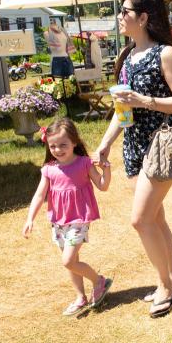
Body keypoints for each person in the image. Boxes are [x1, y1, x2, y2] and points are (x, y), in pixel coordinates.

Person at [93, 0, 172, 318]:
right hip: (135, 147)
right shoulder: (127, 56)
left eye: (125, 11)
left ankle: (164, 285)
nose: (120, 17)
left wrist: (145, 101)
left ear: (144, 17)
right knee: (156, 218)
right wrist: (106, 142)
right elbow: (122, 110)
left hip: (162, 147)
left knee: (140, 220)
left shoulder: (165, 54)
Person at [23, 118, 113, 317]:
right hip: (59, 221)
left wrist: (106, 168)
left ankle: (99, 281)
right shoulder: (48, 169)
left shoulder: (84, 163)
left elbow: (103, 186)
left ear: (74, 142)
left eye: (63, 145)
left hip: (80, 218)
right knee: (72, 261)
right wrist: (30, 218)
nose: (57, 149)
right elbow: (40, 195)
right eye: (53, 145)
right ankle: (80, 297)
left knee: (68, 260)